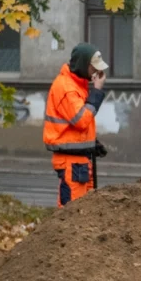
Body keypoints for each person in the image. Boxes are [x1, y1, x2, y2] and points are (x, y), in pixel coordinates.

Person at [43, 43, 108, 207]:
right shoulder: (66, 88)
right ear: (83, 65)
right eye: (94, 69)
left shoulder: (77, 85)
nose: (97, 73)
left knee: (84, 213)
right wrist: (97, 92)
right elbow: (81, 120)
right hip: (72, 163)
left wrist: (91, 144)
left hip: (79, 161)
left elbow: (78, 126)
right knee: (73, 213)